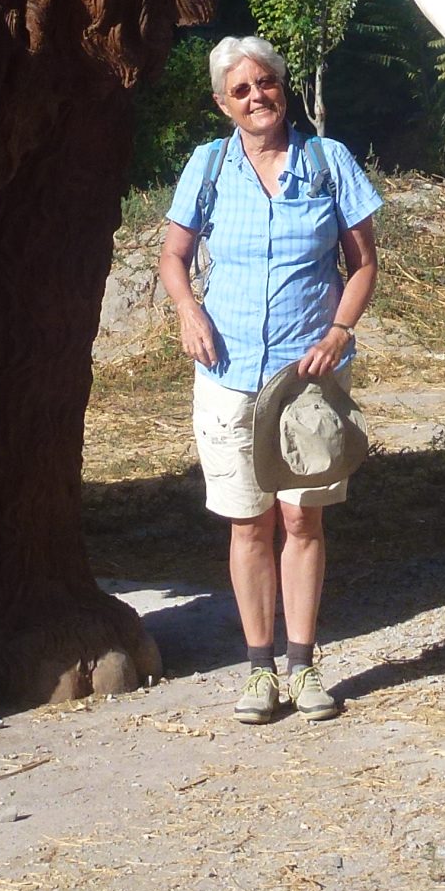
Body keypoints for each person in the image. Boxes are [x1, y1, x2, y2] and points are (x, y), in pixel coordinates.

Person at [159, 35, 381, 725]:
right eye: (241, 90)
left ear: (282, 87)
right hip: (226, 375)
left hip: (305, 377)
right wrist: (188, 311)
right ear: (222, 103)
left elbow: (364, 264)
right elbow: (173, 256)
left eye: (266, 83)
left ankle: (304, 665)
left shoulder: (328, 162)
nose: (257, 97)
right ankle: (260, 671)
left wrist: (338, 332)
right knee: (249, 524)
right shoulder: (208, 166)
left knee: (301, 519)